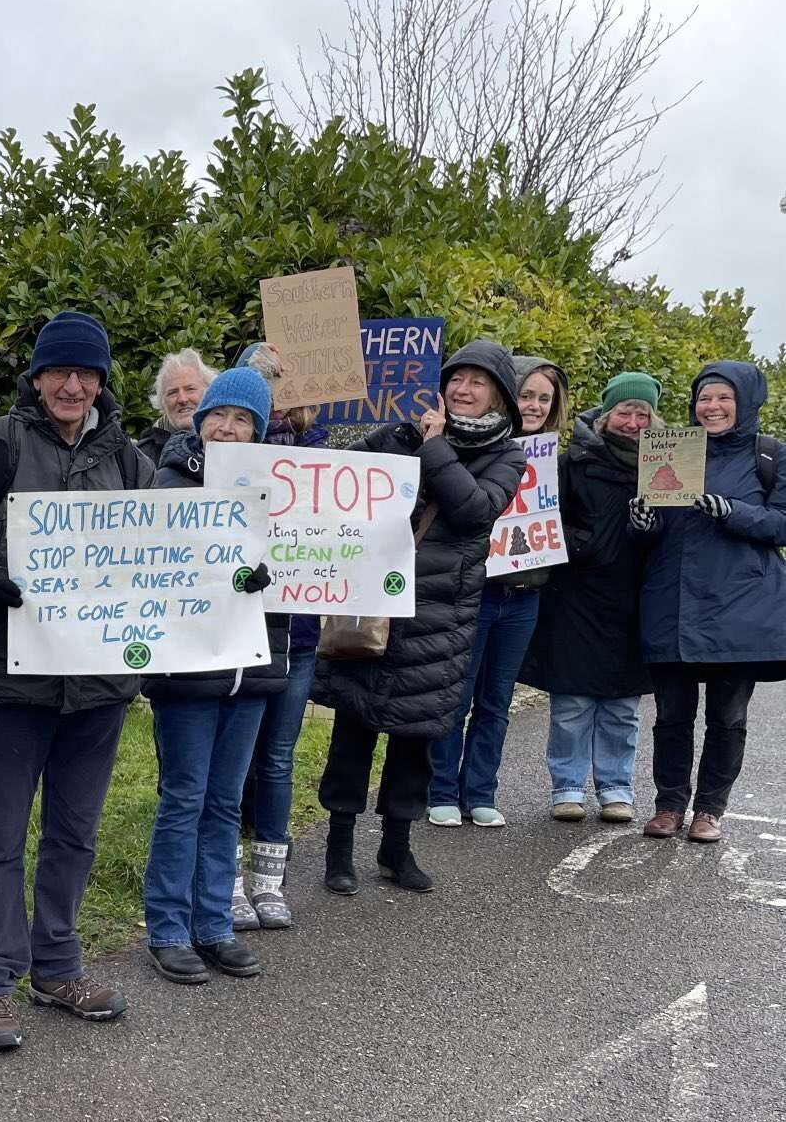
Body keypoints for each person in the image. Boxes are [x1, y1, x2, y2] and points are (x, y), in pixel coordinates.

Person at [0, 310, 151, 1050]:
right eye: (58, 372)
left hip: (96, 686)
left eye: (85, 373)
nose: (71, 385)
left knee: (74, 832)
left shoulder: (129, 460)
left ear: (100, 382)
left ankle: (56, 965)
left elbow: (170, 551)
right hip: (10, 681)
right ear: (36, 378)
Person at [313, 340, 528, 895]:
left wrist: (434, 451)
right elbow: (340, 477)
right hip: (375, 605)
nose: (464, 389)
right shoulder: (408, 434)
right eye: (457, 379)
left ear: (499, 397)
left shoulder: (509, 456)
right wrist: (402, 440)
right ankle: (339, 850)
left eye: (478, 383)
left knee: (415, 737)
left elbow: (475, 510)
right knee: (353, 728)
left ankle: (396, 849)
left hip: (441, 616)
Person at [141, 366, 282, 983]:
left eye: (243, 419)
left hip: (251, 666)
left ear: (259, 428)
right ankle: (168, 927)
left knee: (226, 802)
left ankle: (214, 924)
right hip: (189, 670)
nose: (228, 427)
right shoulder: (167, 480)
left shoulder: (280, 488)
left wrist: (270, 578)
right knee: (184, 798)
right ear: (199, 422)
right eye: (218, 416)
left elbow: (315, 557)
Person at [628, 361, 786, 844]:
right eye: (704, 398)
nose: (711, 407)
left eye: (723, 398)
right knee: (672, 714)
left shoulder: (771, 455)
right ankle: (669, 804)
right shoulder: (671, 449)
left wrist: (733, 512)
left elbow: (781, 524)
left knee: (728, 717)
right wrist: (643, 521)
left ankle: (710, 810)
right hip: (673, 600)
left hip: (741, 606)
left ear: (745, 402)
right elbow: (657, 535)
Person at [426, 355, 568, 827]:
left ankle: (481, 790)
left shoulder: (555, 457)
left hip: (525, 593)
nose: (534, 405)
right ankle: (441, 788)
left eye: (543, 399)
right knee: (457, 694)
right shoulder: (472, 444)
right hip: (477, 589)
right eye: (526, 395)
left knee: (497, 701)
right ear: (509, 397)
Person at [518, 373, 659, 823]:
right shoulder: (571, 461)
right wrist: (583, 542)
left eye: (643, 413)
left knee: (623, 705)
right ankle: (568, 787)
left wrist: (651, 529)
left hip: (637, 596)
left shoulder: (667, 466)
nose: (633, 421)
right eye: (624, 411)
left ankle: (617, 788)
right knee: (572, 701)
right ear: (605, 414)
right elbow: (544, 514)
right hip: (577, 595)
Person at [235, 342, 328, 931]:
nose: (277, 390)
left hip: (299, 633)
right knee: (236, 762)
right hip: (244, 630)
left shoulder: (324, 456)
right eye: (263, 381)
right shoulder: (235, 454)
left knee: (276, 759)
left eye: (285, 381)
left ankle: (269, 877)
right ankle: (230, 880)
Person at [138, 348, 215, 463]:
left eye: (190, 389)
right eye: (173, 392)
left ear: (209, 393)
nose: (182, 399)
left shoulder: (225, 442)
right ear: (162, 402)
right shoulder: (143, 456)